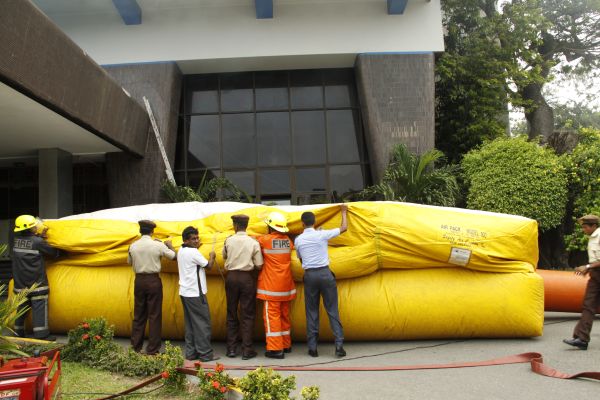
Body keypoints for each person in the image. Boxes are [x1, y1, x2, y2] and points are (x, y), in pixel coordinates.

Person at [295, 204, 348, 358]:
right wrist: (343, 212)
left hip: (310, 276)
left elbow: (301, 259)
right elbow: (344, 228)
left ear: (302, 223)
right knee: (332, 309)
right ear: (315, 222)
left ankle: (313, 348)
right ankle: (339, 346)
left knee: (311, 311)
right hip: (325, 274)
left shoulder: (298, 240)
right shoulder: (322, 235)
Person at [127, 220, 176, 355]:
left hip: (139, 281)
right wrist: (169, 246)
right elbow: (174, 257)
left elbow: (129, 262)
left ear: (140, 231)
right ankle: (152, 349)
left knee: (139, 315)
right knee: (154, 315)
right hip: (153, 281)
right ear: (152, 231)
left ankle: (135, 347)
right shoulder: (157, 245)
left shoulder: (132, 246)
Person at [12, 215, 62, 341]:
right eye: (34, 226)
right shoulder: (38, 242)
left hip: (20, 283)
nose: (36, 227)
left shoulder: (16, 240)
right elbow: (54, 253)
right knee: (39, 307)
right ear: (30, 228)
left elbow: (29, 243)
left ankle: (18, 332)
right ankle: (42, 335)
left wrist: (39, 237)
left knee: (21, 308)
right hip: (36, 284)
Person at [222, 214, 263, 360]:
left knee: (231, 312)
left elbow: (224, 256)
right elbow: (259, 265)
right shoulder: (253, 242)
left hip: (231, 278)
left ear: (235, 225)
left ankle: (231, 349)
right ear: (246, 225)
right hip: (247, 279)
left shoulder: (228, 240)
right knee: (247, 314)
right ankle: (247, 350)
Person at [256, 211, 296, 359]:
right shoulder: (288, 241)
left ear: (270, 227)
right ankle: (286, 345)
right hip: (286, 287)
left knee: (271, 317)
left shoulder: (265, 240)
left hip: (271, 288)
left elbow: (253, 240)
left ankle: (275, 349)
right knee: (284, 316)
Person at [177, 226, 219, 362]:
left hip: (185, 292)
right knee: (202, 324)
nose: (196, 241)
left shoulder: (181, 250)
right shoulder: (194, 253)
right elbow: (209, 266)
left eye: (197, 238)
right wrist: (212, 256)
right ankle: (205, 354)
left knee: (190, 324)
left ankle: (191, 353)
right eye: (193, 239)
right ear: (186, 240)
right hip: (196, 293)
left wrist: (196, 247)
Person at [563, 214, 600, 350]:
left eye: (585, 227)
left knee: (589, 305)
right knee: (588, 305)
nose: (583, 230)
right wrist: (588, 269)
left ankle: (581, 338)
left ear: (593, 226)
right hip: (596, 276)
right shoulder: (592, 237)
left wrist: (588, 266)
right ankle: (581, 339)